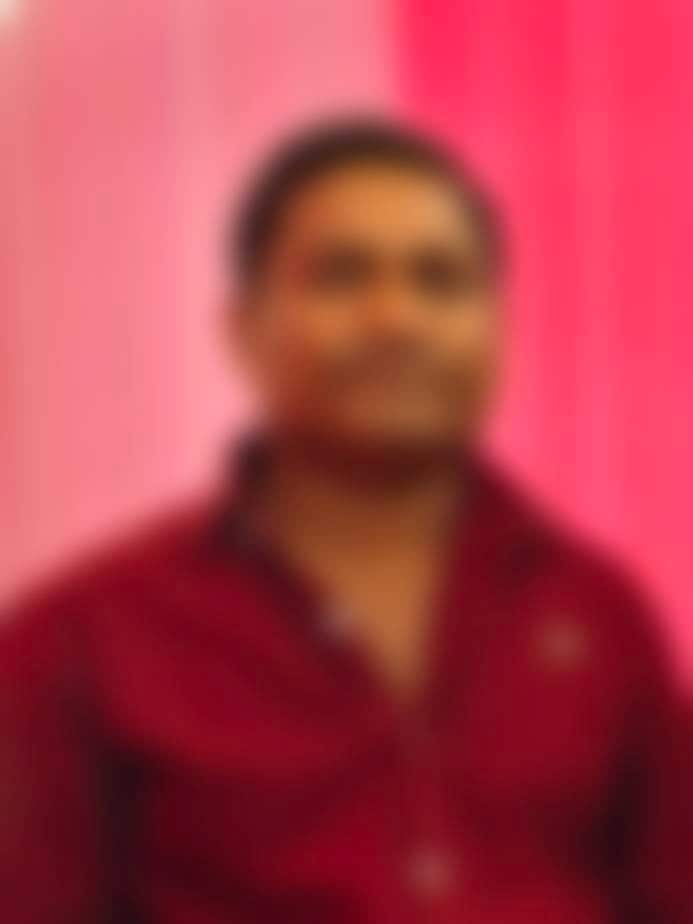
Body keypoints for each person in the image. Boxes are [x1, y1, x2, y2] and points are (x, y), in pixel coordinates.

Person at [1, 117, 691, 924]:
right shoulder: (87, 639)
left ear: (495, 327)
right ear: (244, 327)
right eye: (341, 276)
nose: (396, 318)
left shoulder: (595, 616)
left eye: (440, 280)